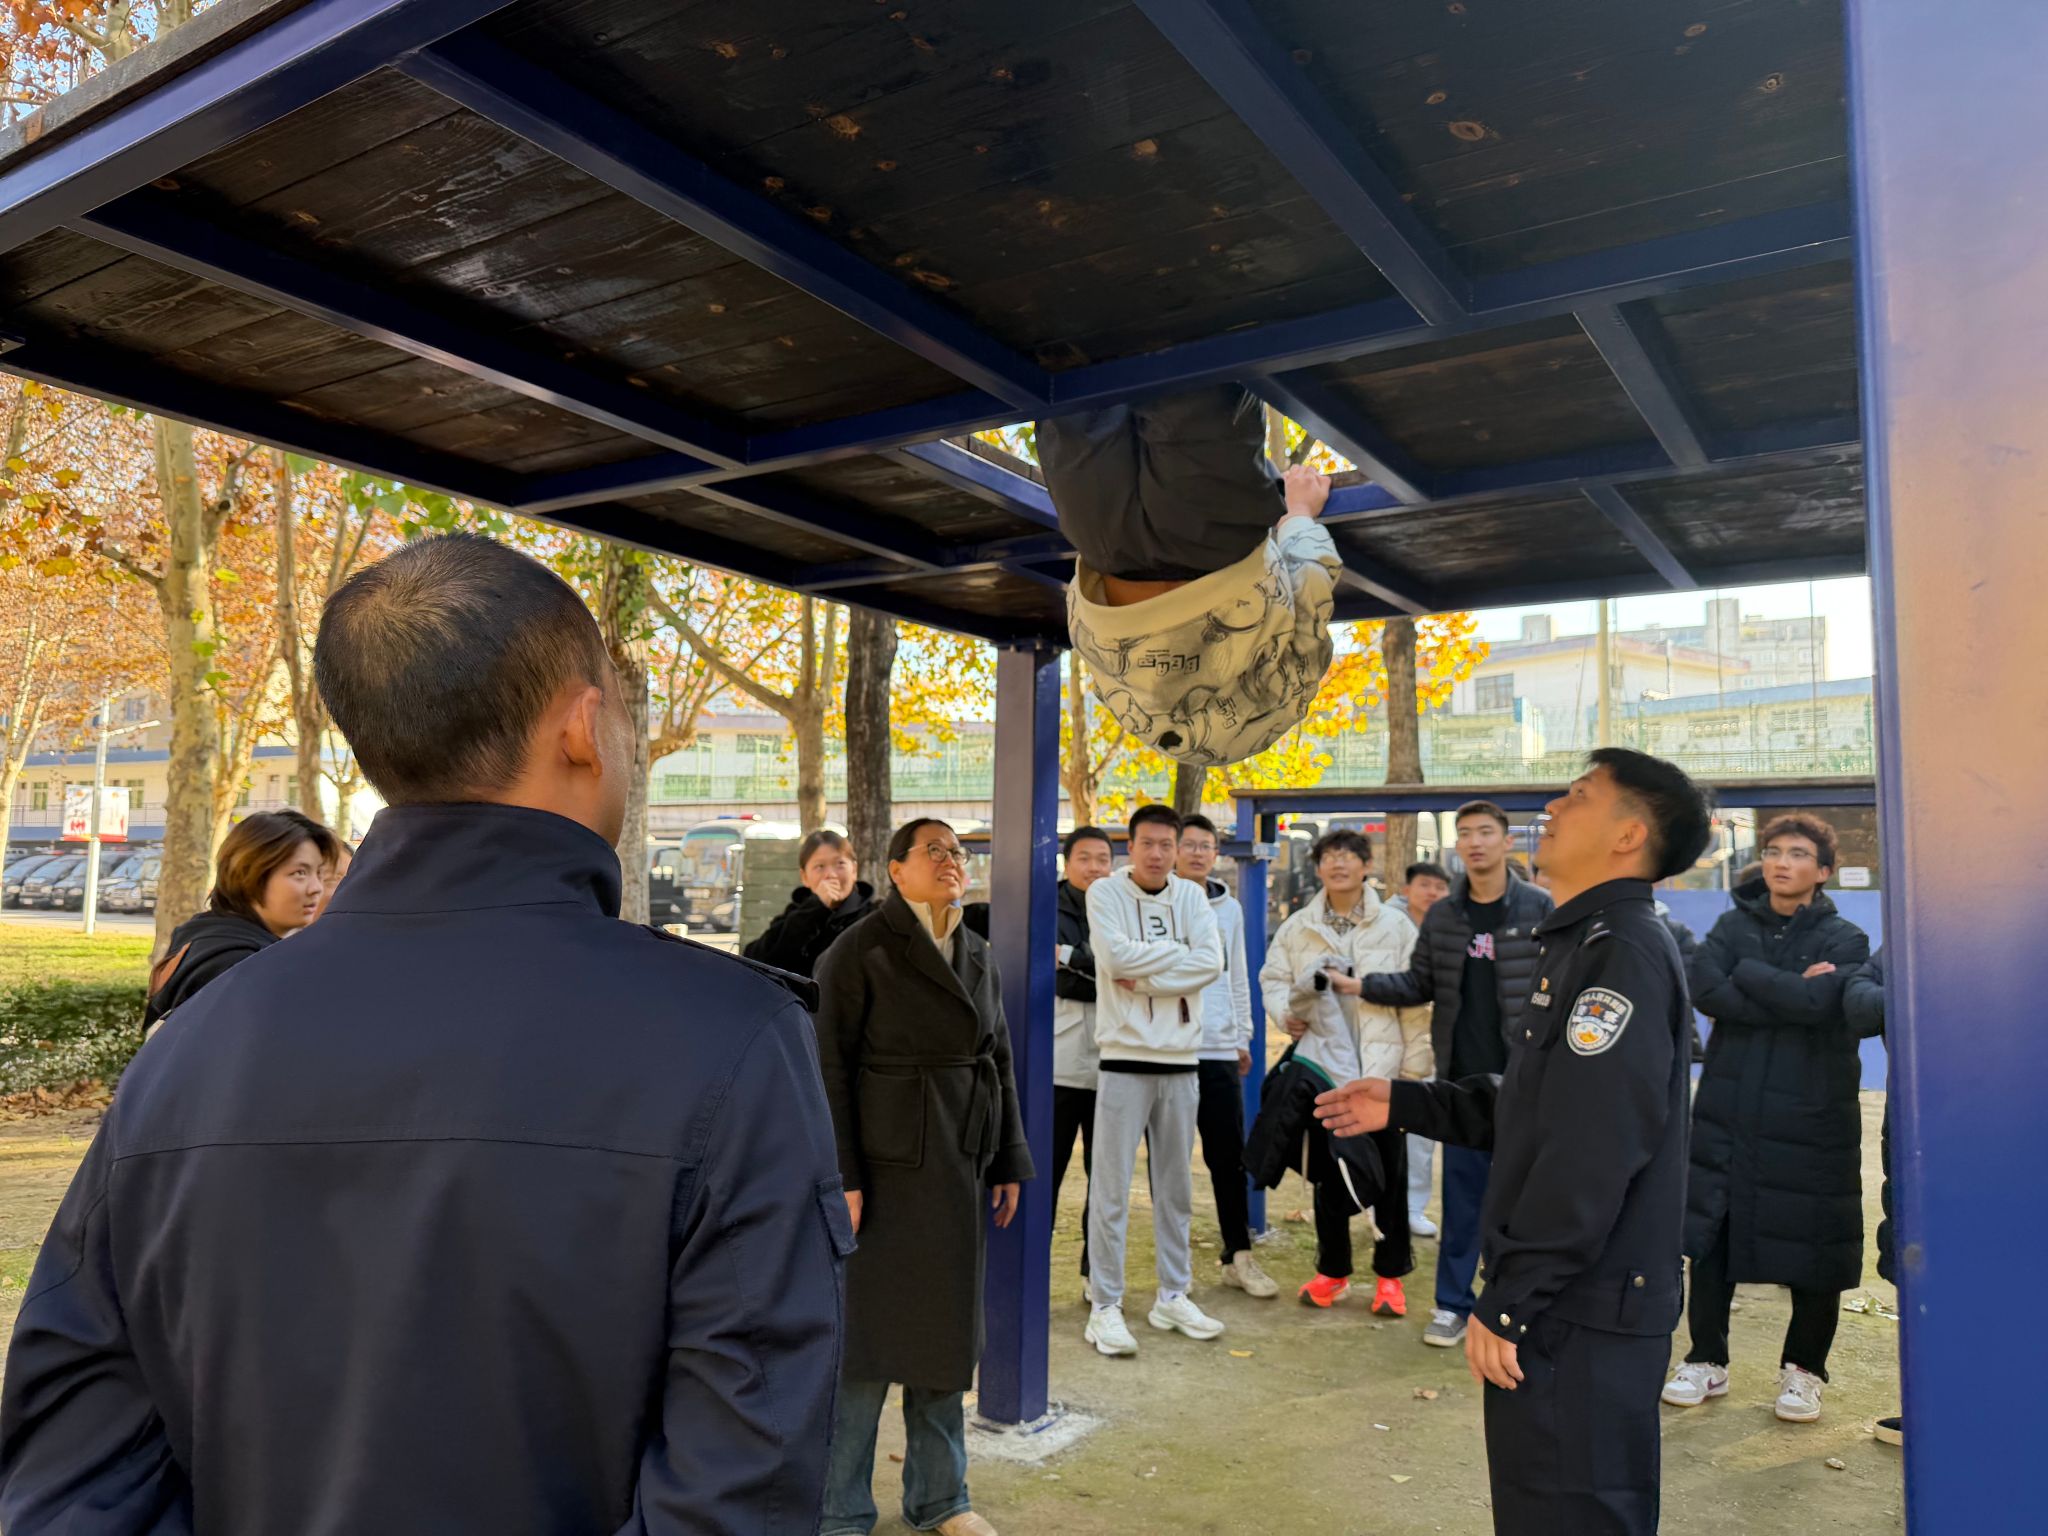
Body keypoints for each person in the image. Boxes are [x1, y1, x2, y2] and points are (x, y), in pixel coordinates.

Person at [0, 534, 850, 1533]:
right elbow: (739, 1491)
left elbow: (73, 1477)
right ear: (583, 727)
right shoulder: (731, 1038)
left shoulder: (190, 1046)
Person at [1316, 748, 1714, 1534]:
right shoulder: (1582, 939)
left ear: (1628, 835)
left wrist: (1512, 1299)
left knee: (1572, 1512)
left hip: (1582, 1307)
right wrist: (1410, 1101)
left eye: (1579, 796)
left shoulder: (1621, 952)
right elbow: (1542, 1105)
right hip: (1574, 1299)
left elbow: (1592, 1147)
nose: (1554, 809)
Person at [811, 818, 1032, 1536]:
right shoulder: (858, 950)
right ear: (896, 868)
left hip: (960, 1158)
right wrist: (842, 1174)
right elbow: (826, 1070)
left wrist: (1007, 1156)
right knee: (866, 1344)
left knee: (945, 1338)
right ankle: (839, 1507)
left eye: (957, 852)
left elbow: (998, 1057)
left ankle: (942, 1499)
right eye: (933, 851)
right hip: (884, 1169)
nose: (950, 862)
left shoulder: (976, 949)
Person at [1664, 814, 1871, 1425]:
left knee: (1816, 1241)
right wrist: (1787, 991)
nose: (1782, 862)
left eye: (1799, 854)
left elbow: (1819, 1004)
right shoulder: (1731, 924)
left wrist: (1749, 976)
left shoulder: (1847, 939)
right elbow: (1706, 989)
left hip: (1813, 1115)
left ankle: (1804, 1371)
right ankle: (1706, 1358)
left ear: (1824, 870)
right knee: (1713, 1235)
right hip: (1731, 1107)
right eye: (1775, 851)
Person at [1040, 385, 1341, 766]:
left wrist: (1298, 514)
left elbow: (1311, 590)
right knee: (1071, 385)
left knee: (1193, 377)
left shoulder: (1279, 707)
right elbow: (1095, 659)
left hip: (1214, 543)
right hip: (1106, 551)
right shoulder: (1140, 719)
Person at [1359, 803, 1552, 1347]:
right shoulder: (1445, 915)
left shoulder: (1538, 907)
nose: (1475, 842)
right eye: (1465, 833)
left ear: (1506, 841)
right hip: (1463, 1084)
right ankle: (1451, 1305)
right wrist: (1362, 985)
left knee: (1524, 1203)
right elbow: (1420, 983)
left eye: (1485, 832)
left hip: (1524, 1082)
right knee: (1463, 1201)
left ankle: (1513, 1309)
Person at [1254, 830, 1429, 1311]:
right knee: (1329, 1169)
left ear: (1366, 865)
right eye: (1329, 856)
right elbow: (1273, 978)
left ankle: (1390, 1276)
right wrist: (1283, 1013)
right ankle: (1332, 1272)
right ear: (1318, 868)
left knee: (1390, 1170)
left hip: (1382, 1067)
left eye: (1349, 856)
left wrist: (1413, 1068)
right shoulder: (1299, 927)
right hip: (1323, 1068)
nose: (1339, 864)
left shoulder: (1395, 927)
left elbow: (1417, 996)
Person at [1082, 803, 1226, 1356]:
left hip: (1181, 1060)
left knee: (1176, 1189)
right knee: (1110, 1190)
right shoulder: (1105, 893)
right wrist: (1176, 956)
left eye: (1168, 844)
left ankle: (1173, 1294)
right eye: (1148, 843)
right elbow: (1114, 957)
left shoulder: (1191, 896)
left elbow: (1210, 963)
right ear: (1131, 846)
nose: (1159, 854)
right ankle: (1105, 1304)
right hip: (1123, 1058)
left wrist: (1144, 981)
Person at [1176, 813, 1275, 1299]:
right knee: (1170, 1161)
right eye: (1189, 844)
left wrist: (1243, 1036)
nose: (1198, 853)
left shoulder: (1228, 909)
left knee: (1228, 1157)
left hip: (1217, 1046)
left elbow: (1238, 974)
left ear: (1216, 854)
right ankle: (1174, 1266)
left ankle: (1238, 1255)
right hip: (1169, 1047)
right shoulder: (1158, 902)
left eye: (1206, 846)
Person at [141, 809, 341, 1032]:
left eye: (319, 874)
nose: (316, 888)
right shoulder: (239, 965)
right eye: (300, 873)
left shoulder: (205, 935)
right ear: (249, 874)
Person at [1841, 949, 1900, 1447]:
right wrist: (1914, 991)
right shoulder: (1910, 938)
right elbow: (1859, 1005)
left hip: (2005, 1109)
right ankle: (1929, 1404)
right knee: (1917, 1267)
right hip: (1917, 1111)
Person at [1053, 826, 1114, 1295]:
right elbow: (1050, 974)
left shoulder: (1120, 904)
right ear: (1067, 861)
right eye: (1085, 858)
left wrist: (1073, 957)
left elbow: (1128, 967)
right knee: (1046, 1172)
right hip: (1057, 1061)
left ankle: (1097, 1273)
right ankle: (1031, 1267)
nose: (1094, 867)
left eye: (1102, 859)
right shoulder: (1044, 905)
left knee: (1105, 1176)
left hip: (1113, 1058)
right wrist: (1105, 971)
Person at [1389, 860, 1452, 1240]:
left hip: (1431, 1040)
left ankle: (1413, 1205)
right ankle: (1381, 1203)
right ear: (1407, 889)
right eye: (1425, 885)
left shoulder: (1452, 926)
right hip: (1387, 1037)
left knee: (1422, 1132)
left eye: (1439, 887)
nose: (1432, 893)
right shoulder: (1386, 925)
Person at [745, 828, 874, 977]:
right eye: (820, 866)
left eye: (840, 864)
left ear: (854, 870)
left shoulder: (872, 916)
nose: (831, 875)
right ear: (804, 877)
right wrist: (815, 908)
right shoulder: (794, 916)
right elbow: (758, 961)